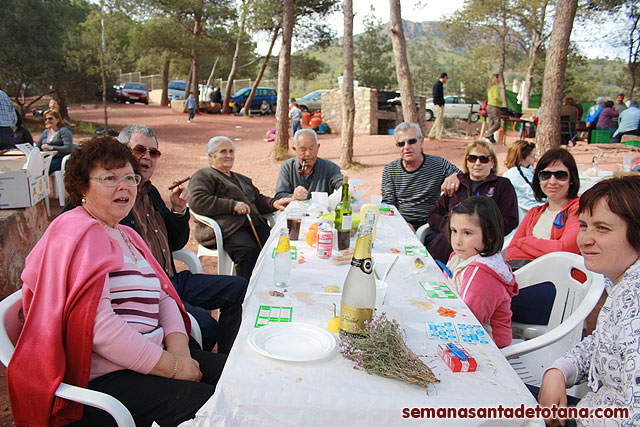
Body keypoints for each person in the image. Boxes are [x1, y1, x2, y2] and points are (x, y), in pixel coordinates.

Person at [7, 137, 226, 426]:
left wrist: (180, 354)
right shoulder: (77, 232)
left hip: (151, 354)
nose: (124, 186)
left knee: (240, 373)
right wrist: (173, 368)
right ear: (82, 187)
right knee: (218, 406)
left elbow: (163, 297)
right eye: (110, 178)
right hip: (104, 376)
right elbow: (99, 329)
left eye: (129, 177)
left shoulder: (126, 234)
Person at [117, 125, 248, 353]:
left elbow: (175, 243)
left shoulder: (151, 193)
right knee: (205, 327)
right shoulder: (115, 197)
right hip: (148, 289)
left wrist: (178, 210)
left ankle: (227, 357)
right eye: (139, 150)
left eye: (153, 152)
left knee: (239, 288)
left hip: (172, 280)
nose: (147, 157)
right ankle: (194, 368)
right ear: (121, 152)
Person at [538, 175, 640, 426]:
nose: (584, 240)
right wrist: (559, 370)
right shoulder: (621, 282)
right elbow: (604, 345)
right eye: (583, 226)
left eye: (602, 228)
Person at [189, 136, 289, 280]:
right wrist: (232, 205)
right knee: (248, 250)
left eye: (231, 151)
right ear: (211, 156)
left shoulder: (241, 179)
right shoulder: (204, 176)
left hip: (250, 225)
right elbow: (197, 200)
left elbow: (257, 199)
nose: (228, 155)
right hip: (226, 228)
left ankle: (268, 284)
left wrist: (274, 203)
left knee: (276, 245)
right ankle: (244, 292)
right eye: (223, 151)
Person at [506, 148, 581, 325]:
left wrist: (526, 242)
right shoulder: (534, 213)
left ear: (571, 180)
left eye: (560, 175)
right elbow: (512, 252)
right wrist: (545, 248)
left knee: (486, 299)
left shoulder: (578, 210)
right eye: (545, 175)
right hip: (525, 282)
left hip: (558, 291)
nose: (552, 181)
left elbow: (564, 249)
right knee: (480, 294)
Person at [426, 139, 518, 264]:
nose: (478, 163)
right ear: (467, 162)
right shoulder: (457, 184)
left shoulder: (502, 185)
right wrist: (451, 228)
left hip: (482, 246)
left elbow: (511, 219)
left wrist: (480, 231)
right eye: (472, 158)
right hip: (448, 240)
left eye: (484, 159)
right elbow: (434, 214)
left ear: (492, 163)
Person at [446, 196, 518, 348]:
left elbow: (467, 320)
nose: (457, 240)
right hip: (465, 330)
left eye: (467, 233)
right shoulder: (462, 255)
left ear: (490, 236)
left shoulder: (481, 273)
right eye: (454, 231)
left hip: (489, 345)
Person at [381, 121, 461, 231]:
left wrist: (455, 175)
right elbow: (388, 204)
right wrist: (402, 225)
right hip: (401, 223)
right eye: (401, 144)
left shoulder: (439, 164)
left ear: (421, 141)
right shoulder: (390, 170)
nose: (406, 147)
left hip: (430, 225)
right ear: (397, 146)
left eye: (412, 141)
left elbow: (464, 176)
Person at [274, 128, 343, 200]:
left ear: (317, 148)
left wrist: (347, 191)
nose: (307, 154)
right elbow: (279, 195)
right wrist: (293, 197)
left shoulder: (330, 167)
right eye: (303, 150)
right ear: (295, 150)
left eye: (311, 149)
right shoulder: (287, 167)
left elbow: (342, 185)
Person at [503, 139, 544, 212]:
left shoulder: (526, 170)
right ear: (522, 158)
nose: (535, 160)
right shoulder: (517, 173)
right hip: (529, 210)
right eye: (532, 156)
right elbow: (533, 193)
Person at [36, 109, 74, 173]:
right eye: (46, 119)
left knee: (44, 168)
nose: (47, 121)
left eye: (50, 118)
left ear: (58, 119)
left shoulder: (64, 131)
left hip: (59, 158)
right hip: (46, 157)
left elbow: (68, 148)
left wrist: (52, 148)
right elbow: (38, 147)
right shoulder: (46, 132)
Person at [483, 73, 503, 144]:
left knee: (491, 123)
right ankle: (487, 135)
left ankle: (491, 138)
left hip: (489, 106)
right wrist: (501, 101)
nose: (500, 80)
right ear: (496, 79)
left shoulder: (490, 87)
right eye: (499, 78)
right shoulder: (496, 87)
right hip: (494, 106)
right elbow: (496, 97)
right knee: (497, 123)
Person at [428, 72, 448, 141]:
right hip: (438, 104)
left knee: (438, 120)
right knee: (439, 121)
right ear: (444, 77)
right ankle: (438, 136)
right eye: (446, 78)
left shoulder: (440, 85)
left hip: (440, 104)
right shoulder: (437, 85)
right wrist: (439, 104)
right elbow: (435, 95)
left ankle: (431, 134)